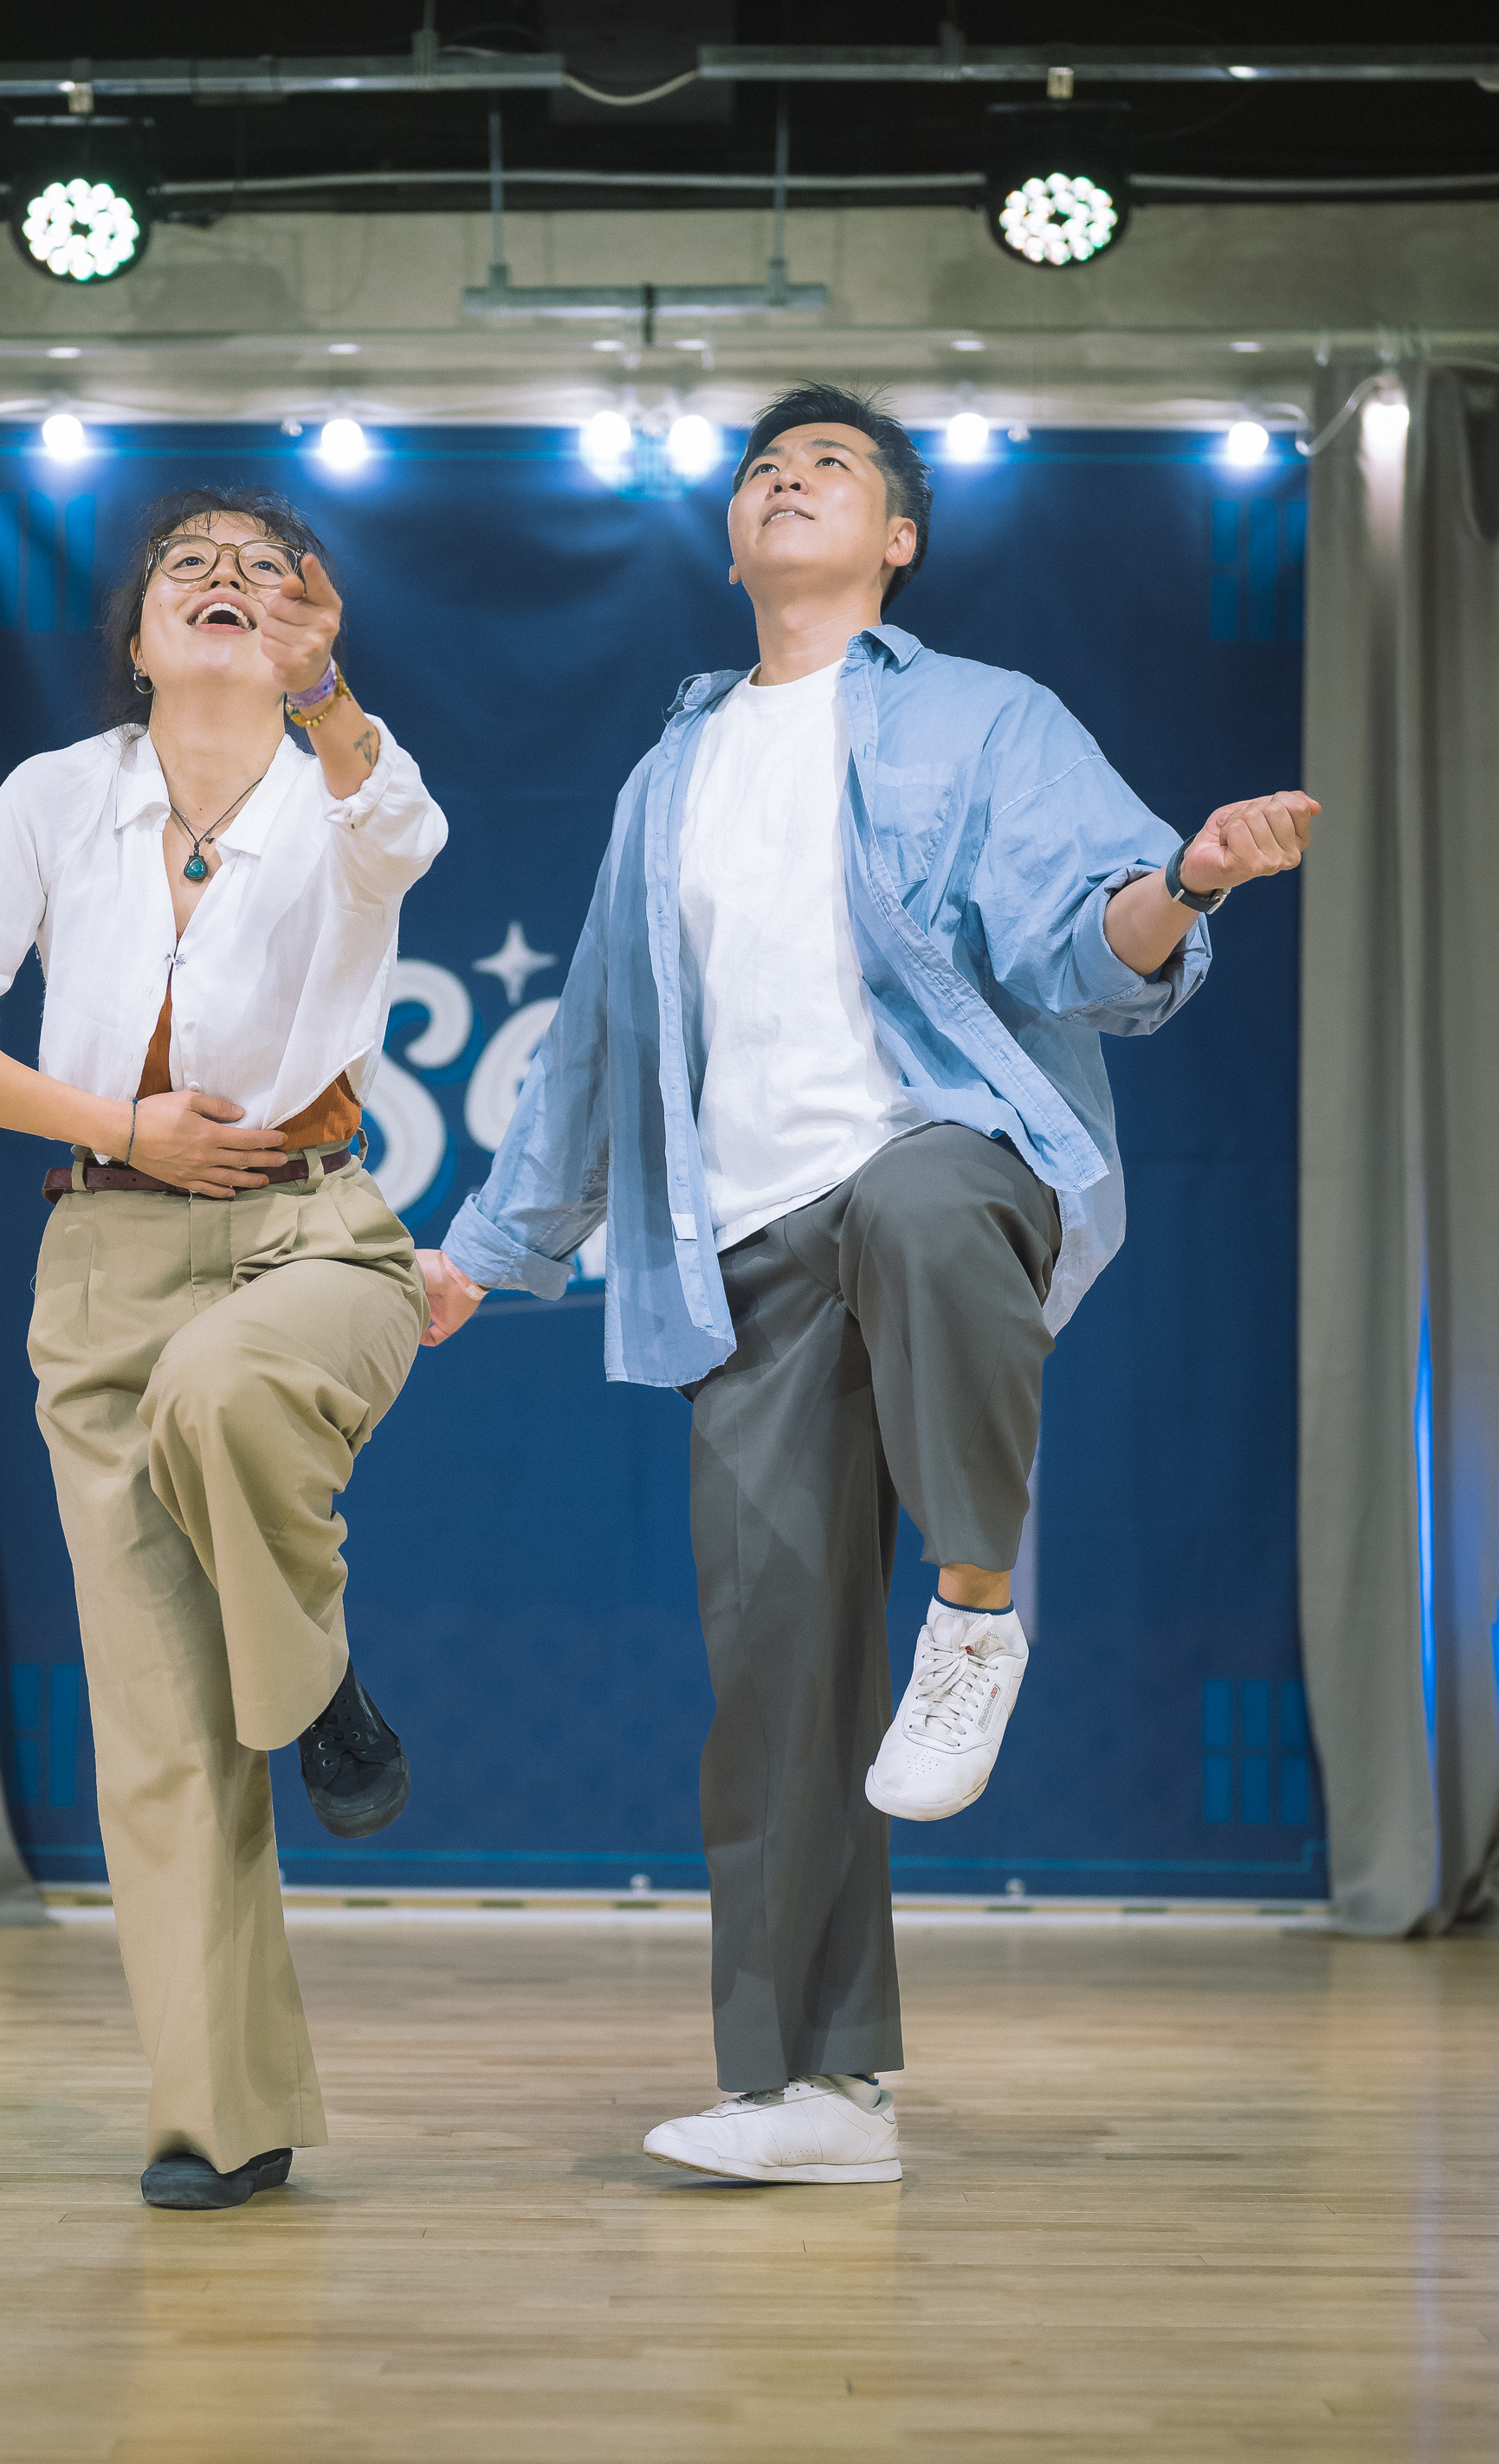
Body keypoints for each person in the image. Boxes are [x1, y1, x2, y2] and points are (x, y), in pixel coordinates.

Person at [417, 384, 1316, 2190]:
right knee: (777, 1675)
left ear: (896, 536)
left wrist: (1189, 879)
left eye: (829, 466)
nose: (786, 479)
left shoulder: (982, 716)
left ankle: (976, 1612)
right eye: (764, 467)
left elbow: (1089, 942)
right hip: (739, 1253)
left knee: (913, 1202)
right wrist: (483, 1256)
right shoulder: (668, 774)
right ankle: (814, 2091)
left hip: (942, 1157)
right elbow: (594, 1036)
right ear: (729, 540)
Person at [0, 487, 445, 2212]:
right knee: (161, 1733)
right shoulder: (60, 796)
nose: (223, 579)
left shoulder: (347, 781)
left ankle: (309, 1677)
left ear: (307, 628)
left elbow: (400, 833)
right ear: (135, 638)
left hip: (318, 1235)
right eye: (187, 566)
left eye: (263, 570)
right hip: (106, 1264)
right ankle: (222, 2118)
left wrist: (328, 695)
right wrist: (122, 1127)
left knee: (223, 1388)